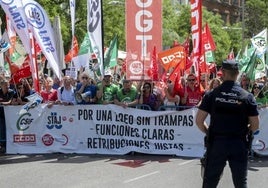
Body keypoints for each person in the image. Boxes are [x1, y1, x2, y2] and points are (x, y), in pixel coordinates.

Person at [195, 59, 259, 188]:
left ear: (222, 73)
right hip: (238, 143)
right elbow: (255, 125)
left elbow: (199, 121)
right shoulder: (247, 96)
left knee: (210, 182)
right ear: (238, 73)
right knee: (241, 183)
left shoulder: (212, 94)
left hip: (217, 143)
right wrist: (246, 129)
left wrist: (209, 132)